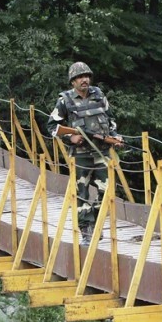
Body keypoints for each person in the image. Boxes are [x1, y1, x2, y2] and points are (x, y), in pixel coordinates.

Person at [47, 62, 123, 246]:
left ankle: (95, 221)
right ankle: (86, 230)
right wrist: (70, 138)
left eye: (87, 76)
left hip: (101, 152)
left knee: (106, 192)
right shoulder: (65, 100)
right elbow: (52, 126)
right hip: (80, 155)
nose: (85, 80)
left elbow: (110, 119)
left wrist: (114, 136)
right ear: (73, 81)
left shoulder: (99, 95)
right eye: (80, 77)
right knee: (81, 193)